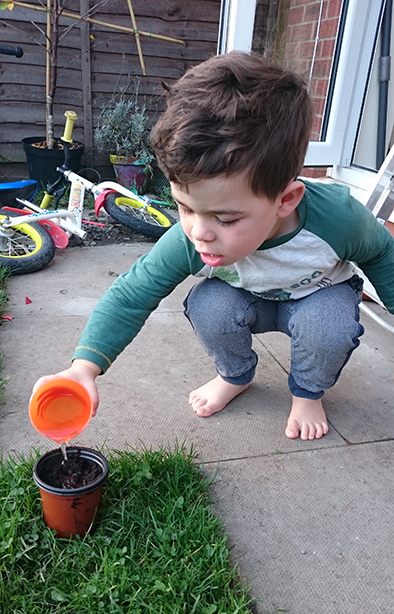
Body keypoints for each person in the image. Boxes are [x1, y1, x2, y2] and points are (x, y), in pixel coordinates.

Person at [32, 51, 394, 441]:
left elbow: (381, 253)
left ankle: (307, 393)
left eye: (225, 218)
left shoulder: (339, 218)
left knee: (328, 327)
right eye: (184, 207)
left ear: (285, 201)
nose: (199, 232)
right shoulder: (192, 235)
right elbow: (132, 293)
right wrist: (83, 367)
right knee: (209, 305)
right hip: (247, 299)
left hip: (317, 297)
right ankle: (235, 375)